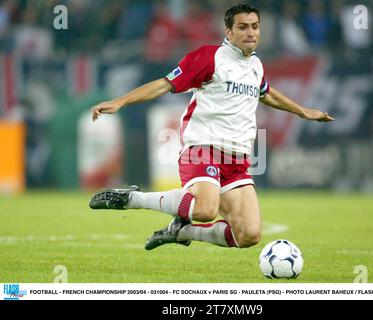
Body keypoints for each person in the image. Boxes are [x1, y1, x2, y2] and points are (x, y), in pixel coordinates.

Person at [89, 3, 334, 251]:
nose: (251, 33)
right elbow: (165, 84)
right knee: (206, 209)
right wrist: (121, 101)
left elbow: (266, 93)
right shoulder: (209, 57)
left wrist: (302, 111)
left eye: (255, 27)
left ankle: (182, 231)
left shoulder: (255, 66)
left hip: (238, 160)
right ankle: (132, 198)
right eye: (243, 27)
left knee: (249, 234)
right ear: (228, 32)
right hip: (203, 147)